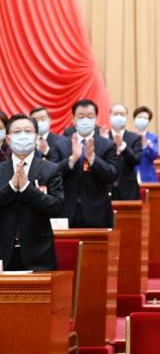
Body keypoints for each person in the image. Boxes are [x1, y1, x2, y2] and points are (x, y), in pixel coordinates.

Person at [0, 114, 63, 270]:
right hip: (3, 253)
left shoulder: (51, 169)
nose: (23, 135)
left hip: (39, 253)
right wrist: (11, 186)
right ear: (8, 139)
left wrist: (27, 188)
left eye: (28, 131)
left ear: (35, 137)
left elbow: (56, 206)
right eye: (17, 131)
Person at [52, 99, 118, 227]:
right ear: (73, 119)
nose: (85, 120)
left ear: (96, 119)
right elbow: (52, 174)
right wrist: (72, 159)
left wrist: (92, 158)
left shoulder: (107, 145)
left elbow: (112, 174)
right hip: (66, 210)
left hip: (97, 212)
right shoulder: (60, 145)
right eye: (81, 116)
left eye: (90, 116)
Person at [104, 103, 142, 200]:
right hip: (105, 188)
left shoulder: (135, 138)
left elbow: (137, 160)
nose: (118, 117)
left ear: (126, 117)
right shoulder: (103, 137)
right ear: (110, 116)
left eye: (122, 114)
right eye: (115, 114)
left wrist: (123, 146)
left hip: (128, 189)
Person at [133, 106, 159, 183]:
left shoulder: (153, 137)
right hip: (131, 176)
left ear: (148, 121)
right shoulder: (129, 136)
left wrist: (146, 145)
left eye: (144, 118)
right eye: (139, 117)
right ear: (134, 119)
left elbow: (155, 155)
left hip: (148, 176)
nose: (141, 120)